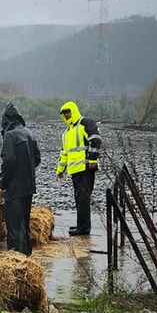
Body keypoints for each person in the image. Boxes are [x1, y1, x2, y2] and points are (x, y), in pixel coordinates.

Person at [55, 101, 103, 236]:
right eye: (64, 113)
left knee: (83, 198)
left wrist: (93, 159)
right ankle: (81, 225)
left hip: (85, 167)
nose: (67, 115)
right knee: (79, 198)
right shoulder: (67, 132)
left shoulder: (85, 123)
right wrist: (60, 170)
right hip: (75, 170)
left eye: (68, 112)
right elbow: (64, 153)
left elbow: (96, 140)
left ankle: (83, 228)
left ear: (74, 110)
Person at [0, 102, 41, 255]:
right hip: (28, 187)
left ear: (6, 120)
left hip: (14, 189)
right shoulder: (29, 133)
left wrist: (3, 181)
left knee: (15, 226)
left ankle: (16, 260)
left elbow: (9, 161)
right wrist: (25, 172)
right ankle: (26, 255)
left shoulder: (10, 135)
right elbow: (37, 158)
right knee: (24, 223)